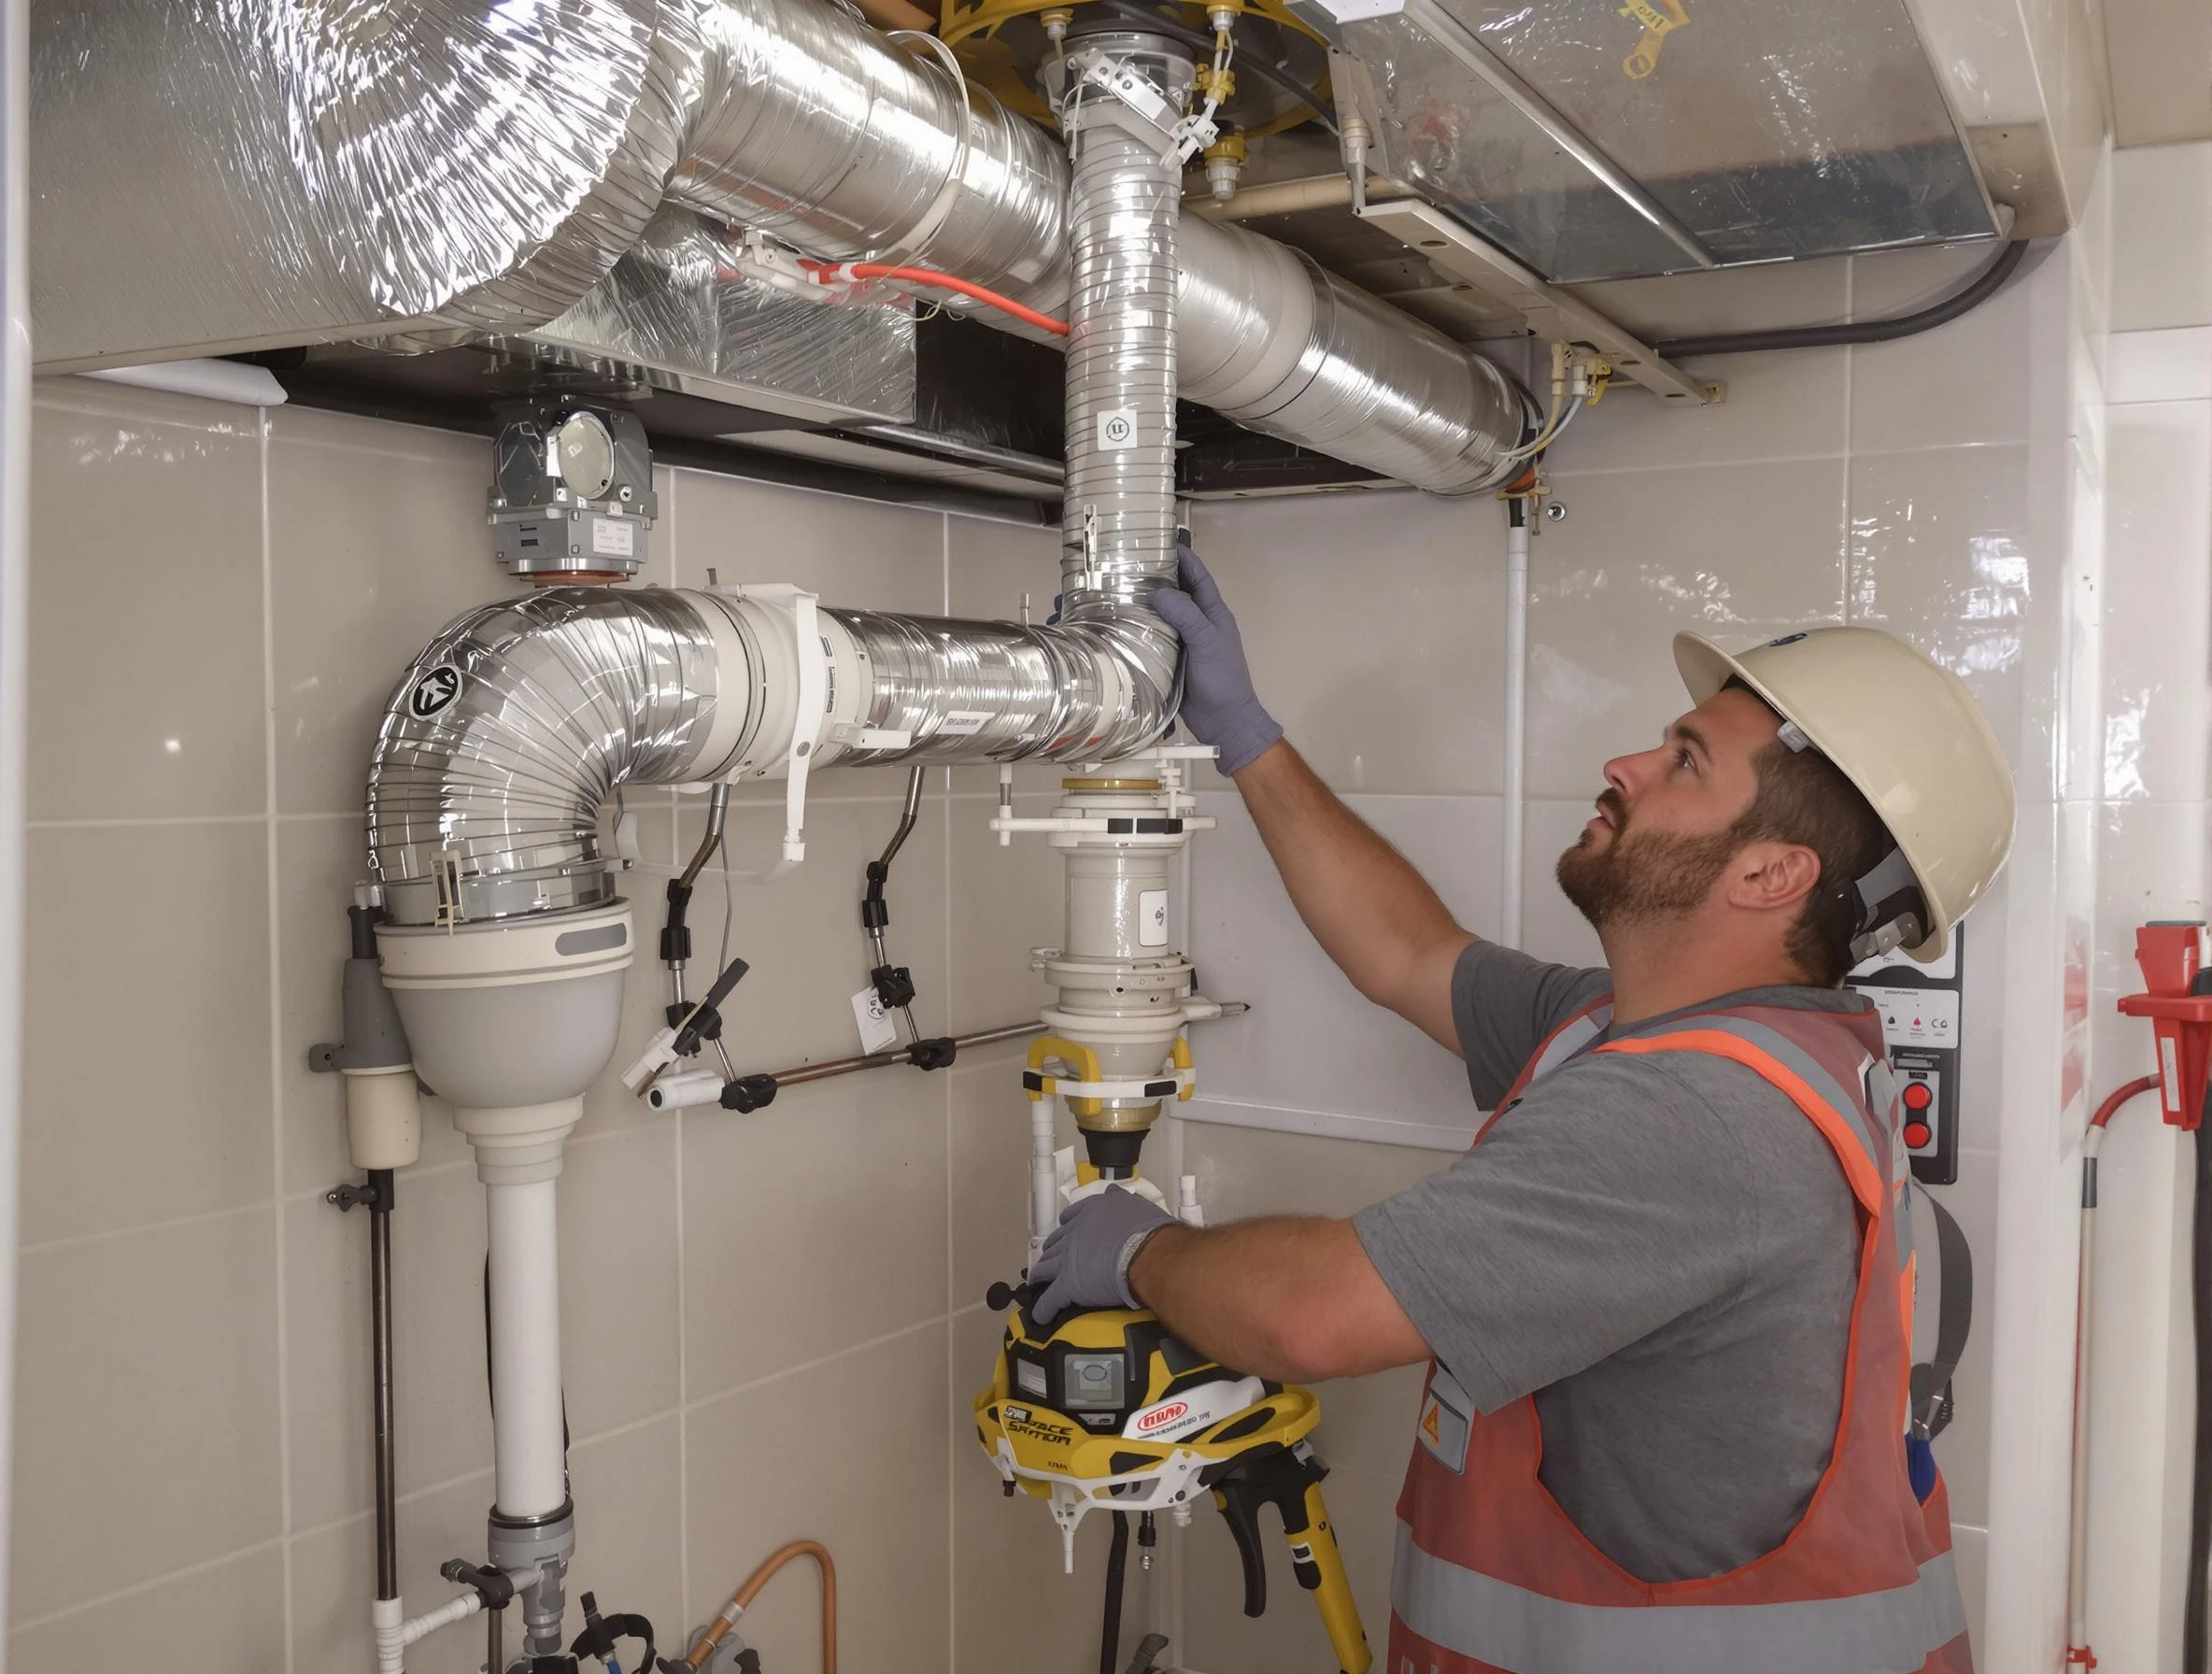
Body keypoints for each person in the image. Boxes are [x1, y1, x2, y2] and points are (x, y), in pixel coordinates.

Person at [1028, 546, 2015, 1674]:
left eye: (1685, 761)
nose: (1624, 763)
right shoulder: (1690, 1034)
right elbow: (1409, 953)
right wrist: (1246, 738)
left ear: (1770, 875)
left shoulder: (1695, 1114)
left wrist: (1139, 1252)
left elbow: (1312, 1317)